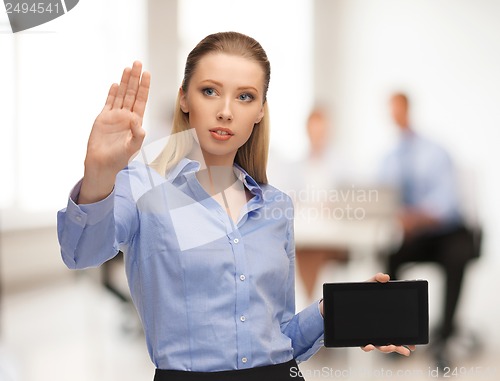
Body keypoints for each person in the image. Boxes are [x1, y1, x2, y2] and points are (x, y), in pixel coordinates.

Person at [57, 32, 414, 380]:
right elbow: (81, 252)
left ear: (260, 110)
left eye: (245, 97)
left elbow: (282, 337)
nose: (226, 111)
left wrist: (335, 311)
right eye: (209, 91)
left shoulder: (276, 206)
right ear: (184, 99)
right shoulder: (143, 187)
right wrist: (100, 173)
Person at [379, 92, 478, 368]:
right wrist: (399, 218)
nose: (394, 116)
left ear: (408, 110)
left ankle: (444, 339)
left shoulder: (435, 150)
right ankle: (395, 336)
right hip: (417, 235)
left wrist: (417, 218)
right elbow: (383, 198)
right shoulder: (389, 157)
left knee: (457, 258)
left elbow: (447, 202)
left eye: (398, 109)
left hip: (448, 231)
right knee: (390, 259)